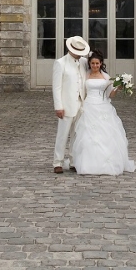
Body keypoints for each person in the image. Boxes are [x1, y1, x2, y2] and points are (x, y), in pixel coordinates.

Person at [70, 50, 136, 176]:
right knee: (87, 136)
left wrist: (118, 87)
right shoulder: (85, 75)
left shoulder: (106, 77)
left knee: (106, 134)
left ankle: (106, 162)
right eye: (93, 63)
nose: (95, 66)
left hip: (103, 106)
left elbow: (110, 94)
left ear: (101, 64)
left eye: (97, 63)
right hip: (89, 106)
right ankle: (87, 163)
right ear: (89, 63)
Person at [52, 35, 89, 174]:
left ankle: (74, 161)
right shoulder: (60, 63)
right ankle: (57, 162)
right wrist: (58, 106)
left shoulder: (84, 62)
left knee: (76, 134)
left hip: (81, 103)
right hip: (66, 104)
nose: (80, 55)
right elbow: (56, 87)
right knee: (62, 135)